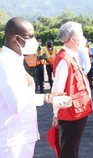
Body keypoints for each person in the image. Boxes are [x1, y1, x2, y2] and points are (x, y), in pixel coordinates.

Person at [0, 17, 52, 158]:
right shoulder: (5, 64)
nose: (34, 40)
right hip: (11, 142)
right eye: (29, 36)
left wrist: (47, 98)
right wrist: (31, 87)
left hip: (22, 137)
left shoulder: (15, 61)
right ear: (15, 38)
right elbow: (16, 103)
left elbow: (22, 97)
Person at [51, 21, 93, 158]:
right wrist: (57, 114)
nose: (83, 38)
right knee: (69, 151)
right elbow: (57, 90)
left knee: (72, 148)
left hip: (77, 111)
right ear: (74, 39)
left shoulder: (70, 56)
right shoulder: (64, 59)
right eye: (81, 35)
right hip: (71, 114)